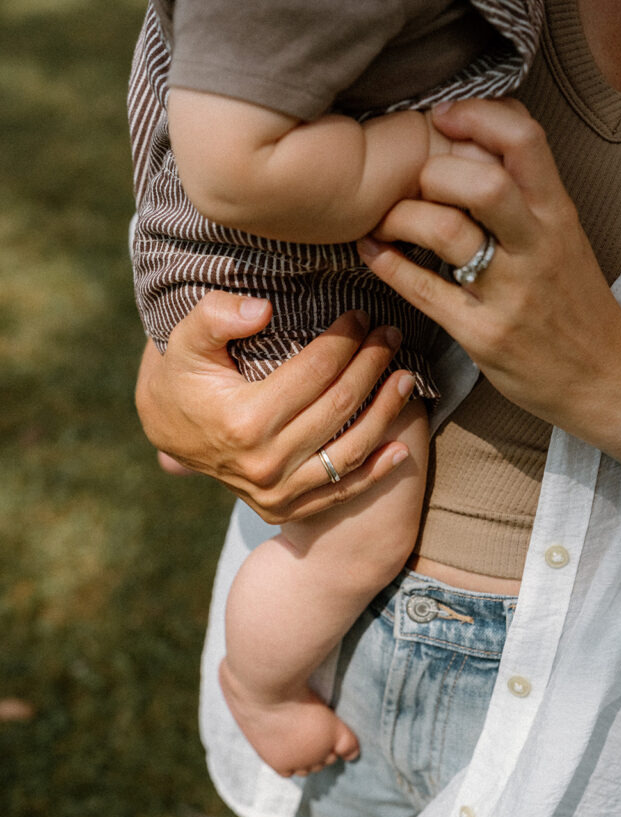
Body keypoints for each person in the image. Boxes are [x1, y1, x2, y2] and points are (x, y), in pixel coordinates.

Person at [134, 0, 621, 817]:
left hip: (617, 751)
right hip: (329, 649)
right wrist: (175, 379)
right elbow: (221, 177)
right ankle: (258, 681)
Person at [129, 0, 543, 775]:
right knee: (363, 528)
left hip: (287, 249)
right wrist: (427, 144)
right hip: (288, 273)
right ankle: (263, 688)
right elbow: (234, 167)